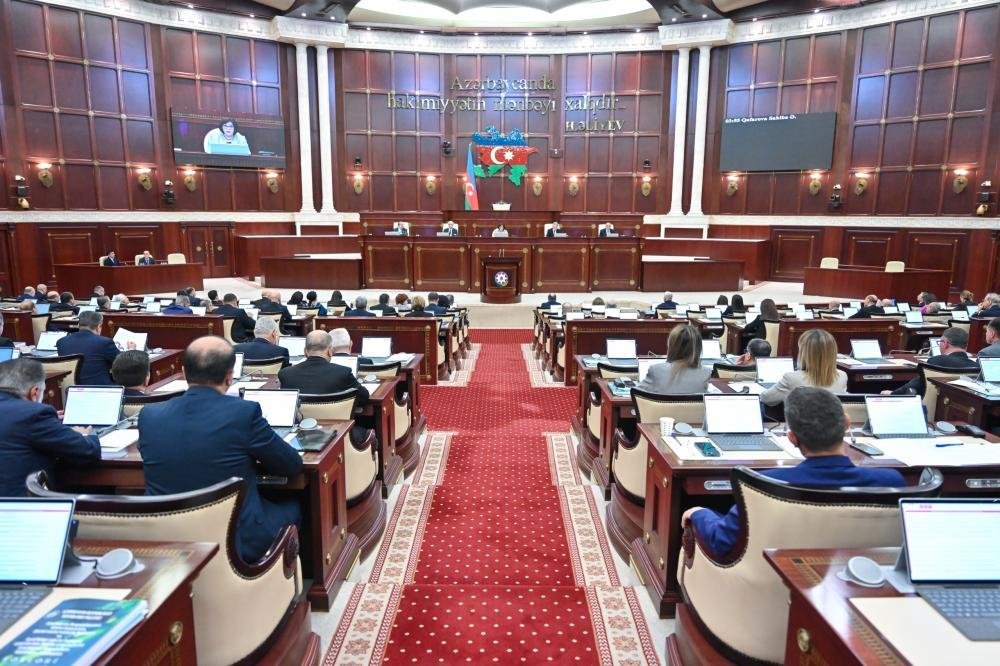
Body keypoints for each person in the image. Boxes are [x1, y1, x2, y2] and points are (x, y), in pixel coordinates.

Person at [681, 387, 905, 559]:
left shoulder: (763, 485)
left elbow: (721, 541)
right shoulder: (892, 483)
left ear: (792, 438)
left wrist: (700, 513)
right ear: (847, 424)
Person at [139, 336, 300, 562]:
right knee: (297, 504)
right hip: (235, 540)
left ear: (184, 372)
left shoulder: (149, 415)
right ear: (229, 376)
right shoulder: (244, 413)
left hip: (166, 539)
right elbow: (291, 465)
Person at [0, 358, 101, 496]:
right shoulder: (34, 414)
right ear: (35, 392)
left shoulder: (32, 415)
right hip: (18, 504)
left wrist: (50, 423)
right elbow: (87, 450)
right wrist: (85, 434)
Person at [761, 329, 847, 406]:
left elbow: (766, 398)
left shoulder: (791, 378)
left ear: (804, 354)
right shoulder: (842, 376)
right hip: (830, 419)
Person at [278, 330, 370, 401]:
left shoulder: (285, 374)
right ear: (330, 351)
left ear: (305, 351)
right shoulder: (343, 373)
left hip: (301, 420)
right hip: (335, 420)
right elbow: (364, 396)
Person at [889, 327, 979, 396]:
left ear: (945, 344)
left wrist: (892, 394)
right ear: (966, 346)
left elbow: (915, 385)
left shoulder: (936, 361)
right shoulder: (976, 366)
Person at [56, 311, 127, 385]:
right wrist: (130, 349)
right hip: (99, 388)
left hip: (70, 389)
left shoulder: (61, 342)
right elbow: (123, 364)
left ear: (78, 325)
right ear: (99, 326)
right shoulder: (104, 342)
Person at [636, 325, 711, 394]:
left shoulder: (656, 370)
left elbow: (636, 394)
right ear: (698, 348)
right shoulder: (706, 373)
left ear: (671, 346)